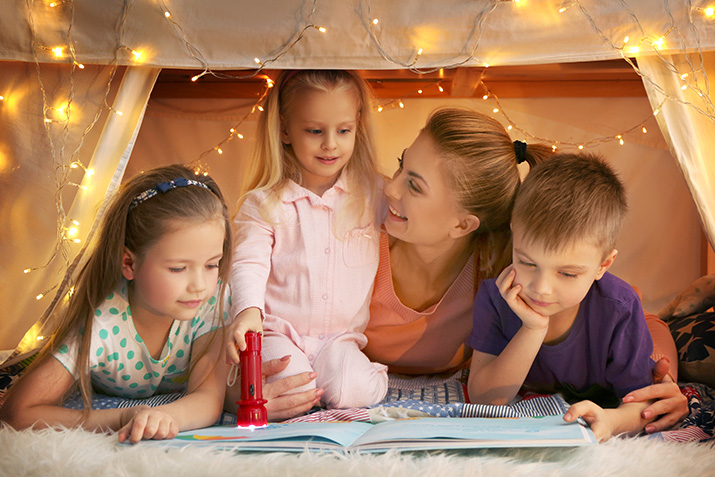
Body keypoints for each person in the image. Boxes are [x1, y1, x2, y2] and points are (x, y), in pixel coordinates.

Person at [363, 107, 687, 433]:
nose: (390, 189)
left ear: (464, 224)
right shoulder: (357, 243)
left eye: (415, 186)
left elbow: (638, 322)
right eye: (400, 164)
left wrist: (664, 375)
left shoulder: (499, 259)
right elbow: (486, 397)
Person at [0, 165, 232, 443]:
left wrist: (165, 417)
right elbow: (17, 413)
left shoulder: (211, 301)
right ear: (129, 263)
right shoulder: (104, 320)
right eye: (178, 268)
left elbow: (208, 398)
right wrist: (122, 417)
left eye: (211, 265)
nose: (200, 285)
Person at [467, 152, 666, 441]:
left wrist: (612, 420)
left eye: (568, 274)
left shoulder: (618, 309)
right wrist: (533, 328)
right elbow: (485, 400)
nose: (541, 288)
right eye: (527, 263)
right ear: (514, 234)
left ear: (603, 265)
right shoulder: (496, 297)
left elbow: (643, 401)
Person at [225, 70, 388, 410]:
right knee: (287, 393)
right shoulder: (263, 203)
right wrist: (248, 311)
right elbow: (248, 263)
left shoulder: (375, 194)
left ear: (358, 124)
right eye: (315, 131)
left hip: (340, 341)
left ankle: (359, 377)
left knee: (353, 393)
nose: (330, 144)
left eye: (344, 131)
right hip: (279, 334)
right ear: (284, 129)